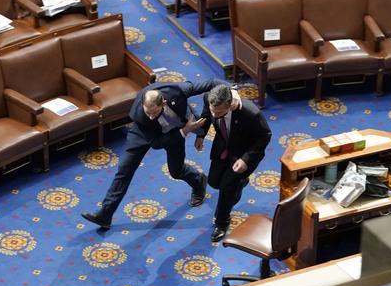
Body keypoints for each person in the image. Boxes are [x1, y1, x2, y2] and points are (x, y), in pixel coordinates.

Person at [81, 78, 221, 229]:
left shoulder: (176, 91)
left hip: (174, 131)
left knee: (176, 171)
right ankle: (105, 215)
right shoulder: (141, 116)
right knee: (124, 170)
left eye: (154, 113)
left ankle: (198, 180)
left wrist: (230, 90)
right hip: (145, 133)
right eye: (148, 113)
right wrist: (184, 131)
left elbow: (211, 83)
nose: (151, 117)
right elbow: (157, 143)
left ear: (164, 104)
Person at [195, 84, 272, 243]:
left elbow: (265, 137)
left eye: (219, 113)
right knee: (214, 182)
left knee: (226, 188)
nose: (214, 115)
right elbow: (206, 115)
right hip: (223, 146)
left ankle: (222, 222)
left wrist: (246, 159)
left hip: (244, 153)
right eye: (212, 110)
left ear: (230, 105)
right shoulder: (209, 99)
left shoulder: (251, 113)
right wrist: (201, 135)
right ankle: (240, 182)